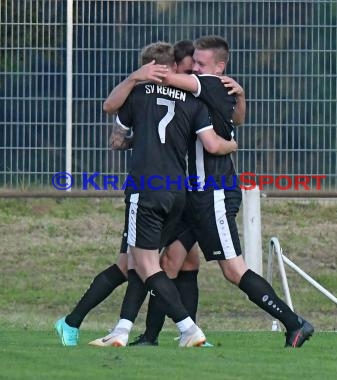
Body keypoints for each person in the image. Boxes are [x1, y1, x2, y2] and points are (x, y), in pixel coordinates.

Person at [133, 35, 314, 348]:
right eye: (193, 64)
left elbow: (184, 90)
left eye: (201, 65)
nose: (194, 70)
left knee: (233, 270)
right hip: (193, 194)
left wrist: (147, 74)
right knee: (175, 261)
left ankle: (294, 323)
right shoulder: (220, 90)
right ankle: (160, 338)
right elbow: (237, 118)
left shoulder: (212, 84)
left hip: (214, 193)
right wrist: (241, 97)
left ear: (219, 67)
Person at [54, 41, 236, 347]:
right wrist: (233, 143)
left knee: (146, 265)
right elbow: (213, 143)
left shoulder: (138, 94)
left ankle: (188, 329)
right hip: (178, 194)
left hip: (145, 190)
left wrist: (133, 79)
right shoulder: (193, 101)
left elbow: (111, 116)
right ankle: (101, 327)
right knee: (130, 264)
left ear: (151, 67)